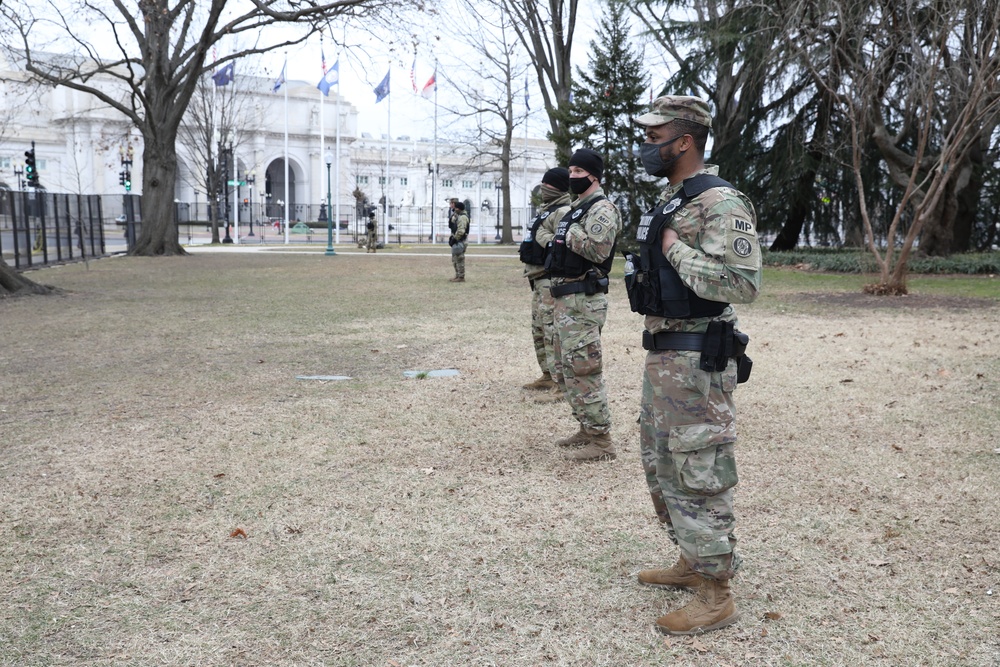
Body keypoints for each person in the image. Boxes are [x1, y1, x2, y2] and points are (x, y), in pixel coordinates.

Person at [627, 95, 762, 635]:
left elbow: (742, 283)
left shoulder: (719, 202)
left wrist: (676, 250)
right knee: (662, 464)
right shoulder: (672, 199)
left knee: (697, 471)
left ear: (684, 141)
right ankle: (691, 559)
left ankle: (715, 591)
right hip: (665, 353)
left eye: (655, 138)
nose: (646, 147)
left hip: (697, 357)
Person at [544, 148, 621, 461]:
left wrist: (569, 229)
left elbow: (597, 251)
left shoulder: (601, 209)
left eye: (579, 172)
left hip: (584, 302)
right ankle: (587, 429)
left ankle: (602, 443)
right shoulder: (577, 208)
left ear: (594, 176)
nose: (572, 177)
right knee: (567, 370)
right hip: (566, 300)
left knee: (584, 370)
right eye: (570, 171)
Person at [520, 167, 572, 394]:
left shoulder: (563, 211)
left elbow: (563, 244)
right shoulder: (546, 211)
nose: (543, 188)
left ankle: (558, 378)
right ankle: (546, 374)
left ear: (559, 187)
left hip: (549, 280)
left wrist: (542, 236)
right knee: (539, 330)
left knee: (552, 332)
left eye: (548, 185)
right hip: (537, 278)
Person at [449, 201, 470, 282]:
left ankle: (461, 277)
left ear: (459, 208)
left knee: (459, 259)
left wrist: (455, 239)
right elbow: (452, 225)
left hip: (460, 241)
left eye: (456, 208)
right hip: (457, 240)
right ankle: (457, 275)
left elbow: (461, 231)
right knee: (455, 259)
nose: (455, 209)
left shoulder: (463, 217)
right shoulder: (458, 216)